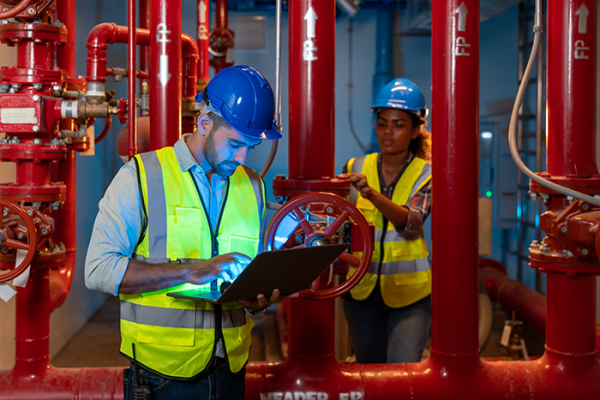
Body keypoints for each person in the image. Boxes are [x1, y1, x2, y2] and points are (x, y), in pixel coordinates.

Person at [85, 65, 296, 399]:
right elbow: (98, 270)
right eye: (235, 143)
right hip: (163, 377)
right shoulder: (141, 176)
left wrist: (256, 300)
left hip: (231, 370)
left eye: (250, 147)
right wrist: (189, 271)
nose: (242, 158)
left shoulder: (252, 185)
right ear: (204, 122)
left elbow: (244, 272)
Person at [340, 78, 432, 364]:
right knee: (370, 372)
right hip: (360, 291)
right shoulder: (355, 167)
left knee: (404, 373)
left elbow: (411, 224)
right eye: (382, 123)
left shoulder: (427, 174)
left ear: (416, 130)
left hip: (410, 294)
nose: (387, 131)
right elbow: (339, 226)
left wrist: (371, 194)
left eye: (399, 124)